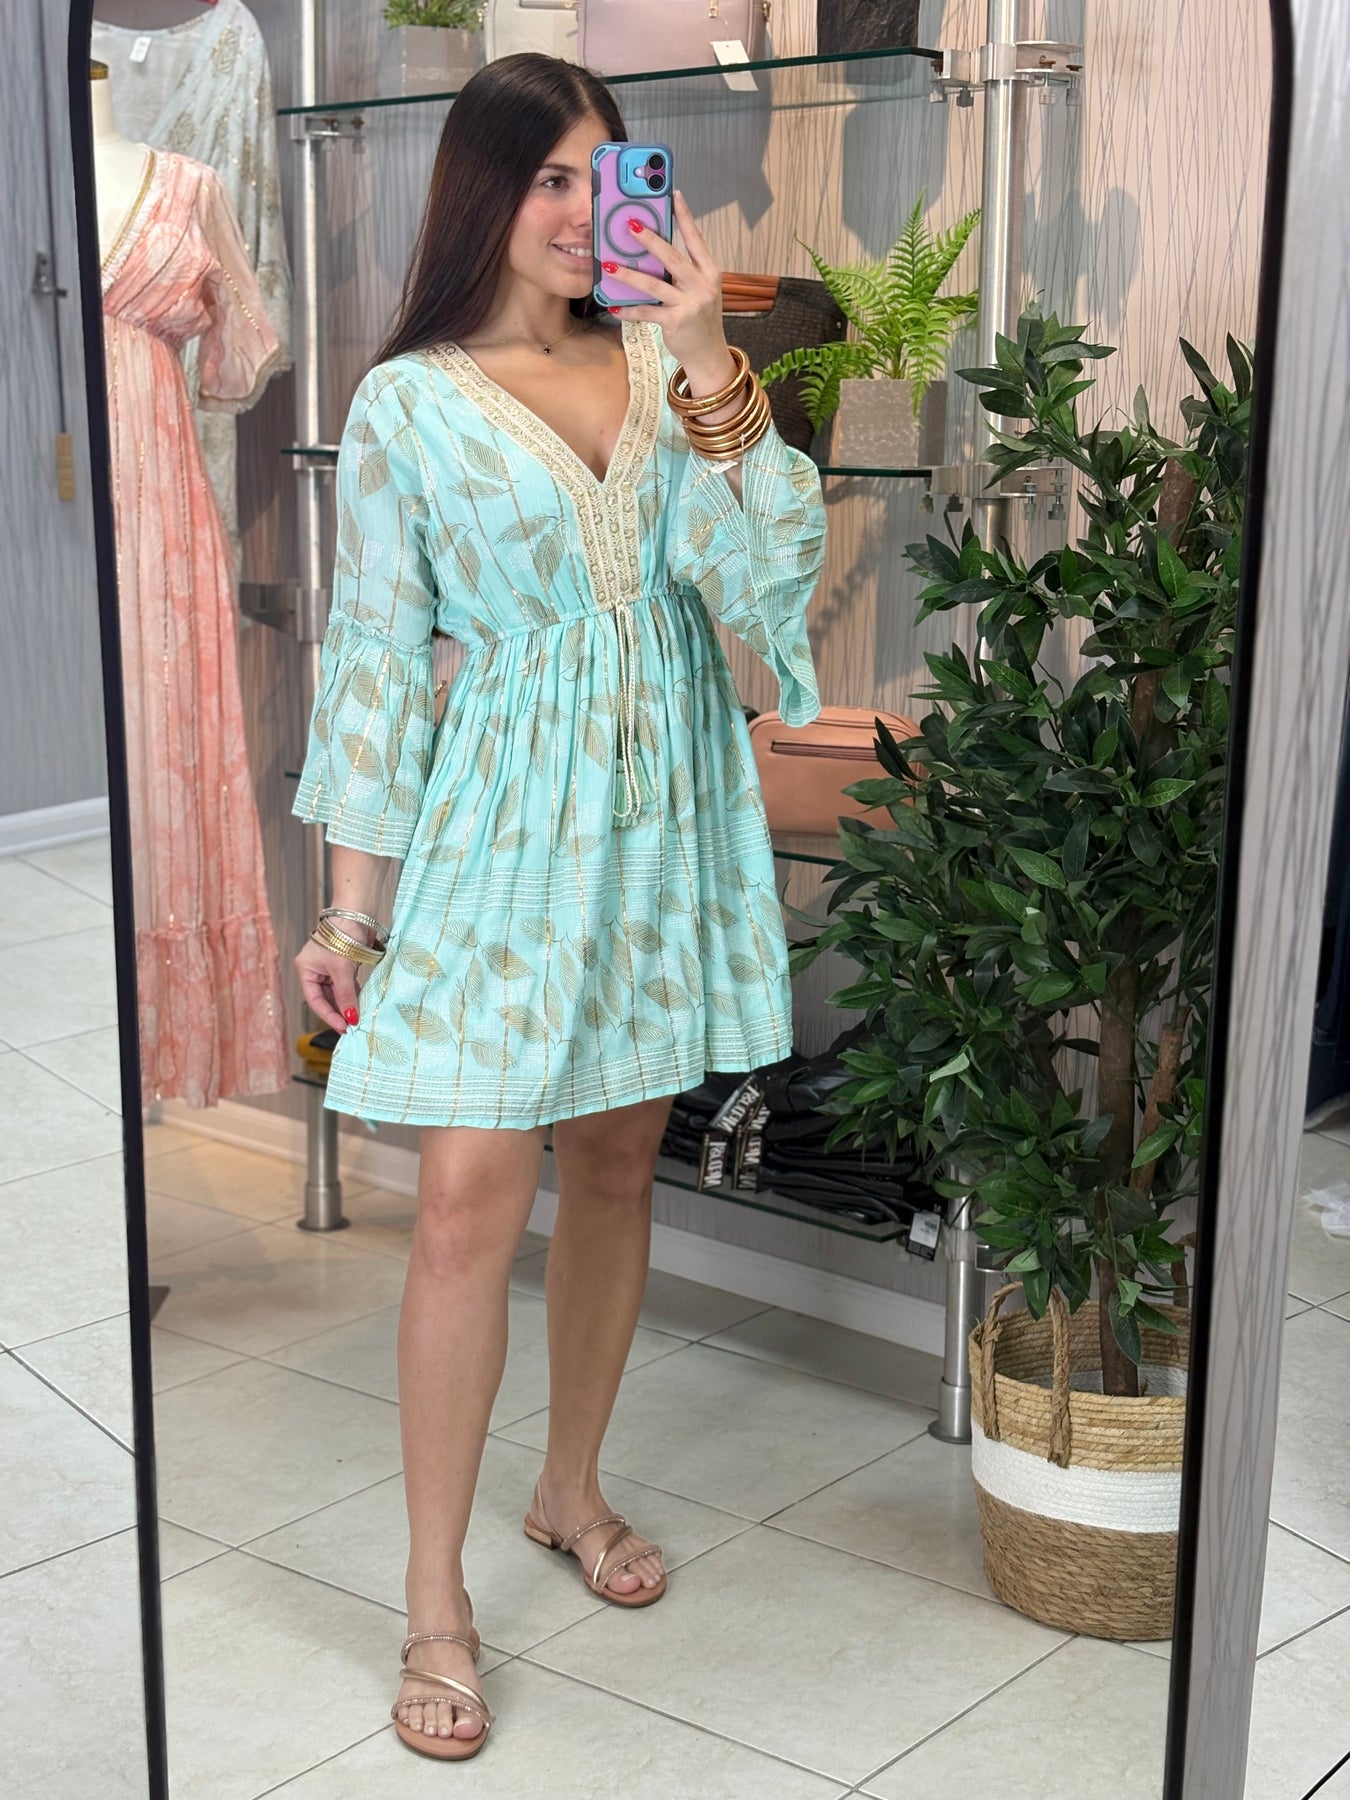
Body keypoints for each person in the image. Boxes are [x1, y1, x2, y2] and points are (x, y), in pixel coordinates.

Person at [292, 52, 824, 1762]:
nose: (589, 209)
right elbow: (377, 660)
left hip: (662, 809)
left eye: (611, 173)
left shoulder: (670, 366)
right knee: (465, 1195)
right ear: (486, 189)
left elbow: (768, 578)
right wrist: (351, 913)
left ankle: (568, 1488)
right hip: (505, 821)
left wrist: (710, 356)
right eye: (551, 177)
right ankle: (432, 1597)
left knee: (612, 1158)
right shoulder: (409, 402)